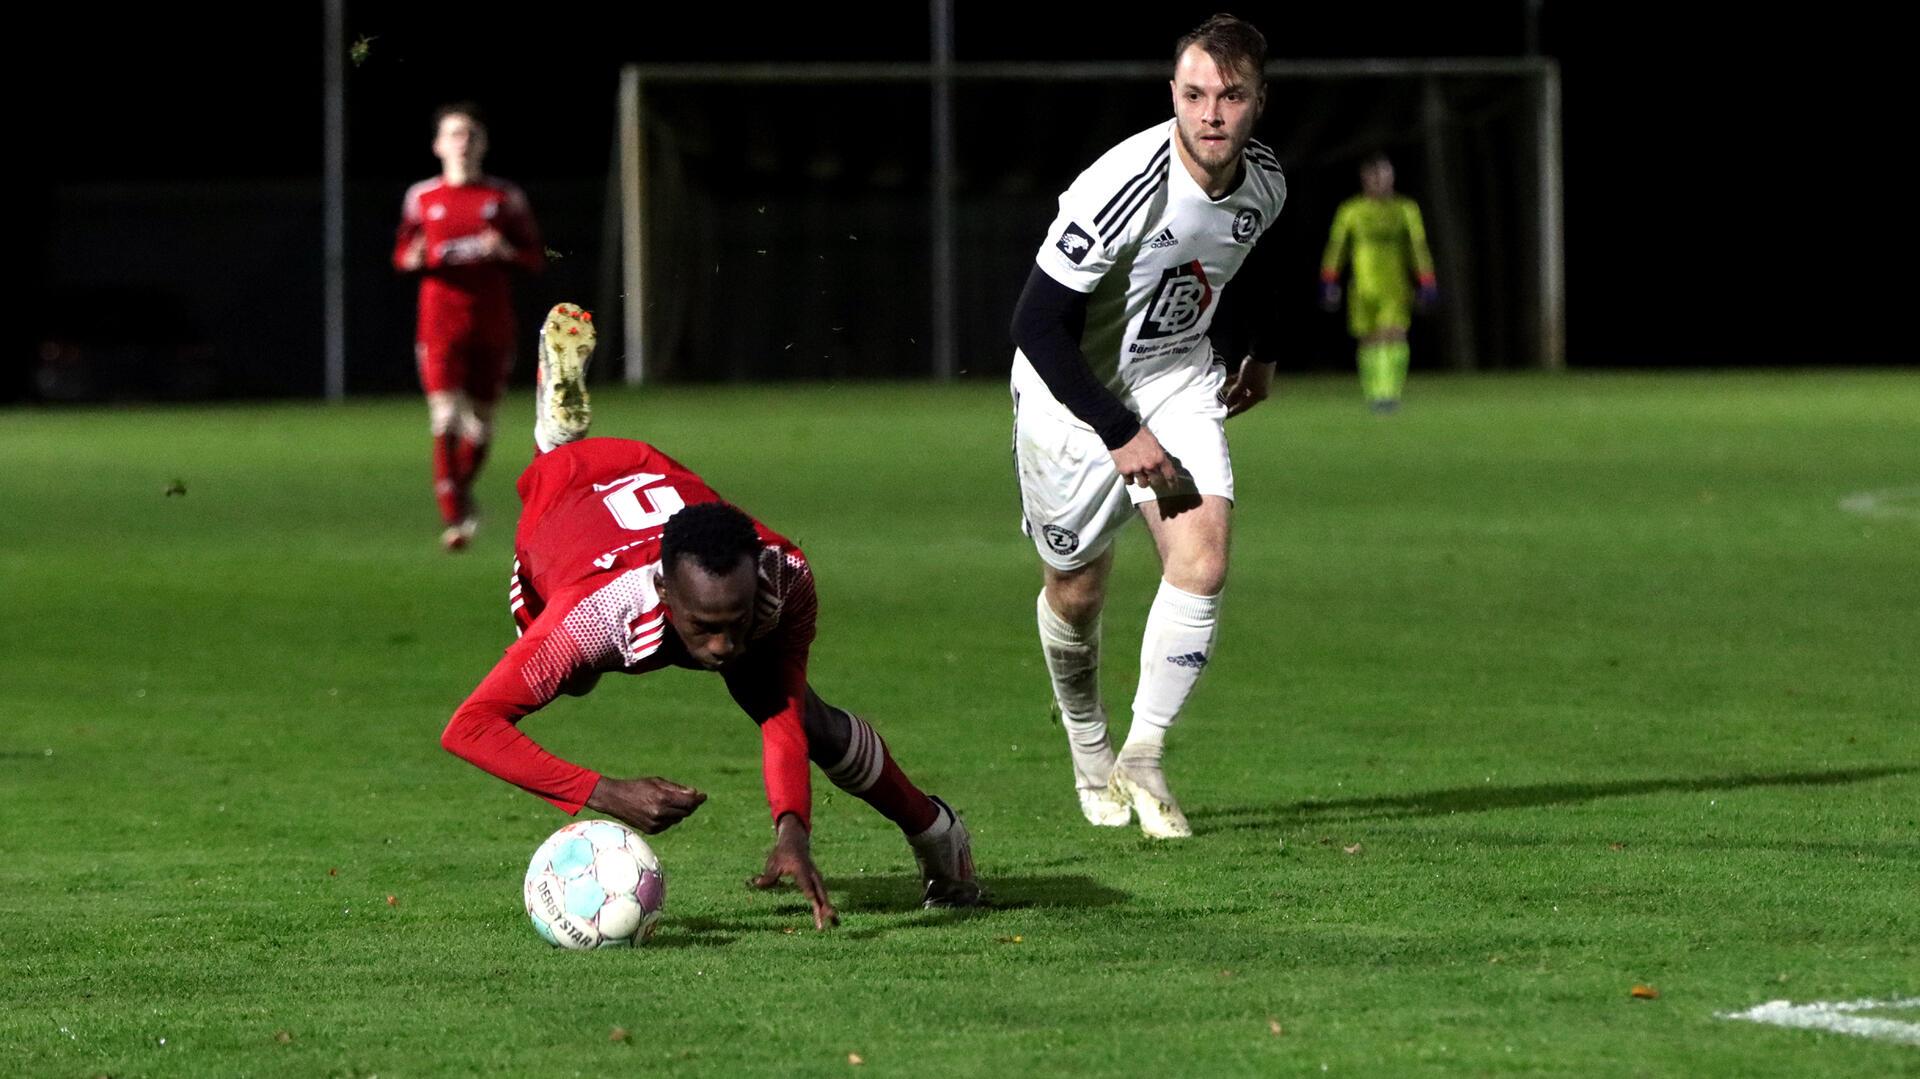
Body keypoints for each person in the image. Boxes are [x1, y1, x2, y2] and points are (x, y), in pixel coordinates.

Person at [439, 303, 980, 927]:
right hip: (563, 511)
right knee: (575, 677)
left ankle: (939, 834)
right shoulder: (590, 616)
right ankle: (555, 441)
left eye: (737, 620)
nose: (723, 646)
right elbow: (471, 728)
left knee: (803, 712)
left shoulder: (785, 576)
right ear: (667, 594)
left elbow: (779, 714)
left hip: (648, 474)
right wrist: (606, 792)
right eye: (706, 627)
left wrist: (793, 830)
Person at [1008, 14, 1286, 839]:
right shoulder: (1124, 185)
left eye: (1230, 97)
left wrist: (1260, 356)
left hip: (1177, 378)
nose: (1211, 114)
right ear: (1173, 95)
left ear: (1256, 103)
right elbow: (1035, 325)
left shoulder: (1265, 180)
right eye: (1195, 94)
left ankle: (1144, 752)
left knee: (1202, 558)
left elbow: (1261, 254)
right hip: (1074, 397)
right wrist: (1118, 430)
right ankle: (1089, 745)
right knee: (1078, 588)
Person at [393, 103, 545, 551]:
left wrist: (505, 252)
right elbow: (402, 254)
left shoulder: (503, 199)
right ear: (438, 145)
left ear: (483, 143)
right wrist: (413, 259)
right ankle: (455, 516)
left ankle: (458, 494)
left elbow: (534, 257)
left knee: (480, 425)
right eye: (454, 134)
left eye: (471, 134)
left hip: (492, 325)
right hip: (439, 325)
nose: (463, 142)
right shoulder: (422, 197)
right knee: (444, 415)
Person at [1317, 152, 1438, 412]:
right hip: (1362, 287)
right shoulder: (1352, 211)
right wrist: (1329, 280)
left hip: (1394, 285)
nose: (1380, 182)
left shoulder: (1405, 209)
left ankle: (1389, 392)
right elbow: (1337, 248)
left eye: (1385, 176)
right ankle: (1374, 394)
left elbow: (1418, 247)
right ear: (1365, 179)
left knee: (1394, 334)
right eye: (1375, 176)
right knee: (1369, 338)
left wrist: (1426, 281)